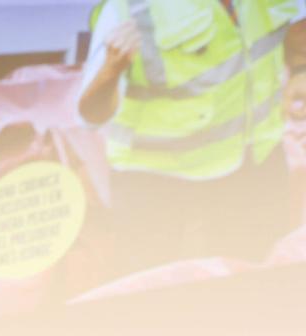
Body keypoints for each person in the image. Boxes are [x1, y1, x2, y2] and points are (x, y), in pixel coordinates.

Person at [77, 0, 306, 268]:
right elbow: (90, 114)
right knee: (153, 290)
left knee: (252, 282)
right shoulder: (128, 9)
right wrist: (111, 69)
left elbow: (292, 30)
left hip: (254, 159)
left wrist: (300, 69)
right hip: (157, 179)